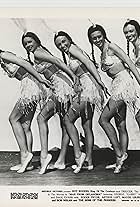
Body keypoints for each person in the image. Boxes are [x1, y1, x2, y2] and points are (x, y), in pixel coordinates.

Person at [21, 32, 80, 174]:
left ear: (36, 40)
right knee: (65, 123)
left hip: (61, 87)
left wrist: (73, 76)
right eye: (25, 44)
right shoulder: (39, 52)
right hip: (61, 85)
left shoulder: (38, 53)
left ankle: (44, 155)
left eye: (30, 42)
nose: (28, 45)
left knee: (41, 118)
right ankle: (63, 159)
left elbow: (58, 62)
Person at [87, 23, 140, 174]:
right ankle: (119, 162)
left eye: (99, 36)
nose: (97, 40)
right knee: (121, 124)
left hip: (124, 84)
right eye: (94, 38)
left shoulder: (111, 47)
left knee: (103, 119)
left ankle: (119, 153)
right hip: (116, 85)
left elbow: (129, 63)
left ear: (103, 35)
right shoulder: (101, 52)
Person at [54, 31, 109, 173]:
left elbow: (89, 63)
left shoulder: (73, 48)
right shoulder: (71, 51)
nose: (62, 45)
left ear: (69, 40)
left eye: (64, 41)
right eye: (59, 44)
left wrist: (99, 80)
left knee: (67, 120)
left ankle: (79, 155)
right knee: (86, 124)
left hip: (89, 88)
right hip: (88, 87)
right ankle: (89, 162)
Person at [0, 49, 51, 173]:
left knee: (13, 118)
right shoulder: (2, 59)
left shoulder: (4, 55)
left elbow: (26, 64)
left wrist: (41, 79)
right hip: (32, 86)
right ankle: (27, 163)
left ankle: (25, 154)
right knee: (25, 125)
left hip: (31, 87)